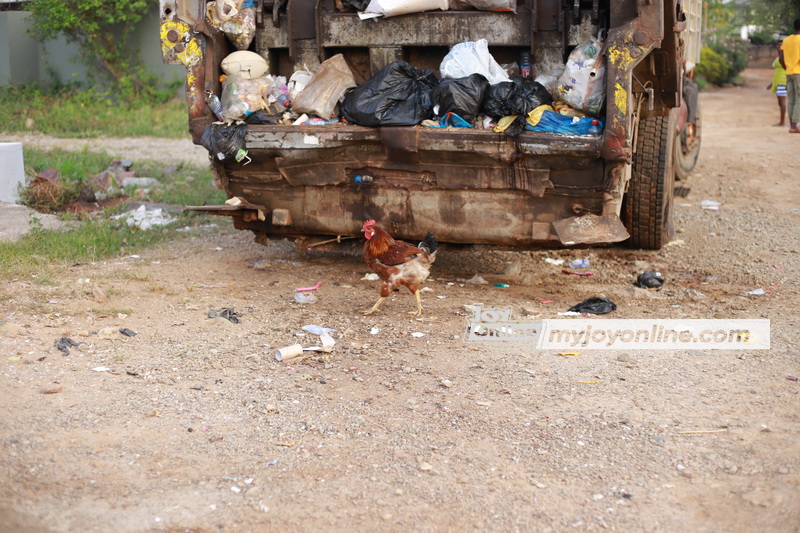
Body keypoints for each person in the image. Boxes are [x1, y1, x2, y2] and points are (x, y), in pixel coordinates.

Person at [780, 18, 800, 133]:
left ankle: (792, 124)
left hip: (789, 72)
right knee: (799, 98)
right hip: (798, 72)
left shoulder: (786, 40)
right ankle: (795, 125)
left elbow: (781, 58)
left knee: (791, 98)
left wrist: (787, 67)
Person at [767, 41, 787, 127]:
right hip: (778, 80)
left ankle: (782, 122)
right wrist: (771, 84)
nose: (778, 47)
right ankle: (782, 121)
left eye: (780, 45)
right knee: (779, 101)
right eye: (777, 45)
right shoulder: (778, 57)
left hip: (783, 80)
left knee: (782, 101)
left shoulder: (785, 57)